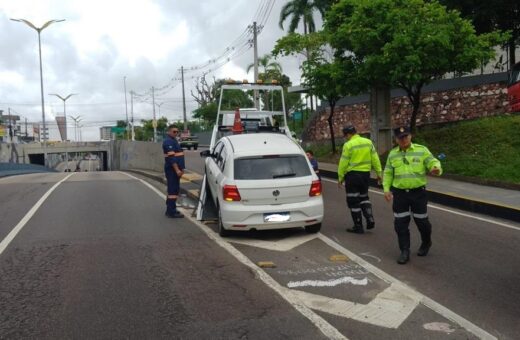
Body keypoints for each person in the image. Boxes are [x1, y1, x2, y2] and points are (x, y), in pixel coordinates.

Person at [383, 126, 442, 264]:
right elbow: (388, 173)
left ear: (410, 136)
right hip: (400, 194)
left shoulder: (421, 150)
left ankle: (426, 242)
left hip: (418, 193)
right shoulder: (392, 154)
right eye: (400, 137)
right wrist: (386, 189)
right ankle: (404, 251)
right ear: (396, 139)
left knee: (422, 222)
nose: (403, 139)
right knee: (400, 224)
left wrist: (436, 169)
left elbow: (433, 162)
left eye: (406, 136)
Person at [338, 125, 382, 234]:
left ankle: (358, 226)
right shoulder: (368, 142)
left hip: (353, 176)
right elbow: (375, 158)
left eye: (345, 135)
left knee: (353, 201)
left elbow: (343, 163)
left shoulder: (348, 145)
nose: (346, 138)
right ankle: (370, 218)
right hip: (365, 175)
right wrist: (379, 173)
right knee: (364, 197)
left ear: (348, 134)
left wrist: (340, 177)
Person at [163, 125, 185, 218]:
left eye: (177, 131)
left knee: (174, 190)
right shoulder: (168, 142)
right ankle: (171, 212)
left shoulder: (174, 140)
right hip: (172, 170)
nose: (176, 133)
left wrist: (181, 169)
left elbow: (179, 155)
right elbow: (172, 158)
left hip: (175, 170)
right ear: (169, 132)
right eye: (174, 131)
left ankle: (171, 209)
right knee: (173, 190)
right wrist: (177, 170)